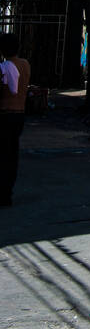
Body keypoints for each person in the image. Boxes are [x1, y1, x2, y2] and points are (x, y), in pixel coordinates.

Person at [0, 32, 31, 207]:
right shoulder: (25, 65)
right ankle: (8, 191)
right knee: (12, 154)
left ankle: (3, 192)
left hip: (5, 114)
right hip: (19, 114)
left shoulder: (5, 67)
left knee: (3, 155)